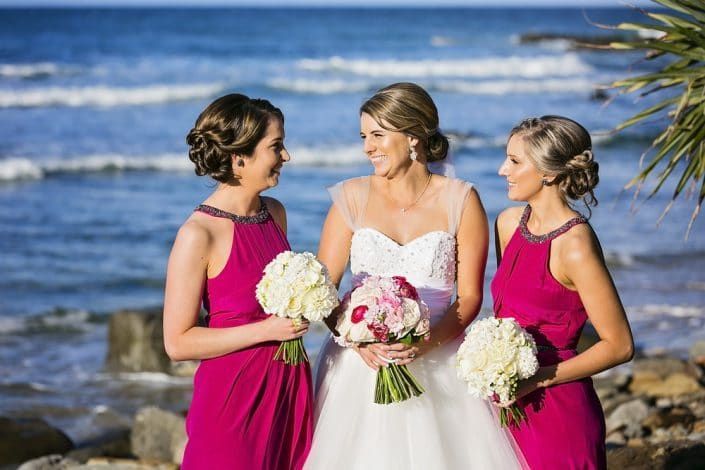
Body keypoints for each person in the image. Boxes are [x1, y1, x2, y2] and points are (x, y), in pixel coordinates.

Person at [305, 83, 525, 469]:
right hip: (359, 370)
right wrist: (359, 343)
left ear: (413, 136)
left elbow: (469, 298)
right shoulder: (350, 199)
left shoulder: (462, 200)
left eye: (377, 135)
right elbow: (322, 291)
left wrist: (423, 346)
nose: (367, 147)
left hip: (440, 364)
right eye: (363, 137)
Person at [162, 94, 313, 470]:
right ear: (238, 157)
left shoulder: (274, 214)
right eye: (276, 147)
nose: (286, 156)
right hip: (233, 399)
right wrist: (267, 330)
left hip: (288, 387)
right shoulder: (198, 234)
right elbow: (177, 342)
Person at [493, 116, 635, 469]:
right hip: (504, 403)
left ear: (549, 173)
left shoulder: (575, 246)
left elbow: (619, 346)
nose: (501, 170)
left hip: (558, 410)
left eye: (514, 161)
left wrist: (537, 380)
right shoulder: (508, 224)